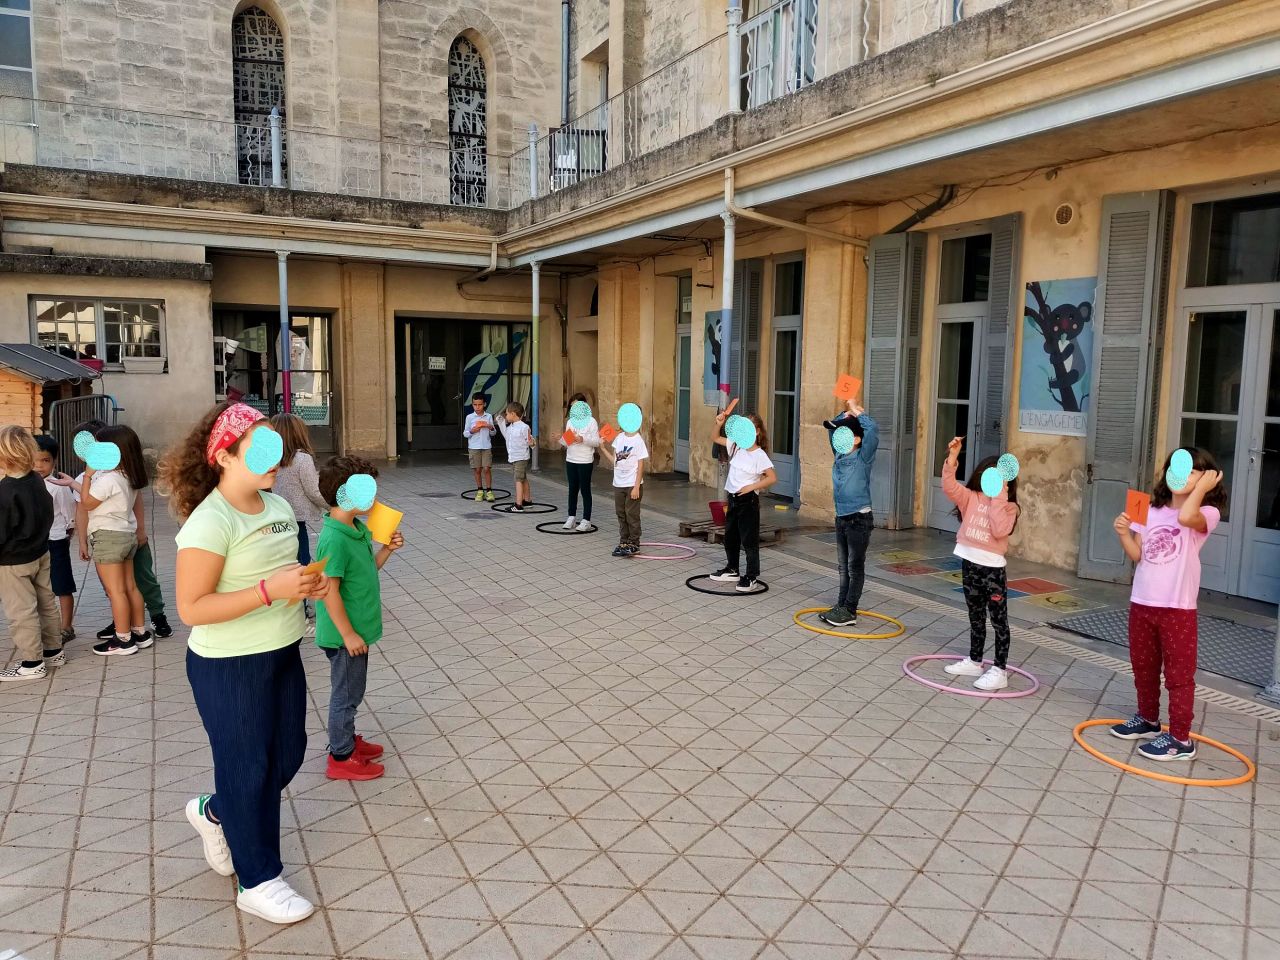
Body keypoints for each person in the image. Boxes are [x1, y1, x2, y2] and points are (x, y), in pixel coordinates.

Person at [163, 401, 327, 924]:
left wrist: (308, 583)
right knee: (249, 768)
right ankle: (257, 879)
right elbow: (192, 609)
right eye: (259, 450)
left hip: (282, 652)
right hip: (229, 665)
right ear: (225, 456)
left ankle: (217, 811)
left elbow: (283, 573)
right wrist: (268, 590)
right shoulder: (211, 521)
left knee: (288, 755)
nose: (273, 459)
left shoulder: (276, 506)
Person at [1110, 448, 1226, 761]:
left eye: (1192, 471)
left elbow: (1186, 516)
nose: (1182, 475)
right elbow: (1139, 555)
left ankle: (1180, 740)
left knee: (1178, 675)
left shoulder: (1207, 513)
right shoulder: (1149, 509)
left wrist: (1204, 487)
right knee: (1143, 666)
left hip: (1178, 608)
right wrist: (1123, 534)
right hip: (1142, 602)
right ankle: (1148, 720)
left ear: (1207, 478)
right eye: (1177, 467)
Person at [314, 456, 404, 781]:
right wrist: (348, 634)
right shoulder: (335, 538)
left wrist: (386, 550)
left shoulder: (355, 529)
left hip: (356, 632)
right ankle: (341, 755)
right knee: (346, 695)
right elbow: (329, 591)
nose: (374, 498)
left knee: (354, 690)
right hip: (345, 636)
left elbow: (366, 571)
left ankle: (348, 740)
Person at [78, 421, 172, 643]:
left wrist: (87, 476)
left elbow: (87, 503)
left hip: (108, 538)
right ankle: (139, 632)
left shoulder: (107, 479)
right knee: (130, 587)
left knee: (116, 591)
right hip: (126, 535)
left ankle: (122, 639)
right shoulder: (127, 476)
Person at [940, 438, 1020, 691]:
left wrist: (999, 495)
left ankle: (999, 670)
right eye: (989, 477)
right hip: (969, 564)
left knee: (998, 621)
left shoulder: (1010, 507)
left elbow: (999, 530)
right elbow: (949, 486)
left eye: (998, 479)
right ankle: (975, 661)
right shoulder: (970, 497)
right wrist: (953, 457)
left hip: (992, 571)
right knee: (975, 616)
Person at [0, 426, 65, 681]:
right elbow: (47, 513)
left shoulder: (5, 491)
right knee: (46, 602)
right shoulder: (37, 480)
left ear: (4, 457)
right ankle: (54, 651)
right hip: (40, 552)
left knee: (22, 611)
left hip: (13, 561)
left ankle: (32, 662)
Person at [820, 399, 879, 626]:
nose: (837, 439)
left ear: (856, 439)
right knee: (843, 567)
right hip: (842, 518)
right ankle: (841, 605)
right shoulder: (839, 455)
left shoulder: (863, 457)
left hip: (859, 518)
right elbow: (832, 430)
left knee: (855, 566)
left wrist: (857, 412)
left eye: (844, 435)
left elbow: (872, 430)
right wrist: (845, 413)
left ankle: (850, 610)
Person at [708, 412, 776, 592]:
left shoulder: (759, 454)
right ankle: (732, 569)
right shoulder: (735, 446)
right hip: (733, 499)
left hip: (748, 501)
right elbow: (715, 437)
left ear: (757, 432)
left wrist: (751, 487)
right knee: (730, 537)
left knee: (749, 540)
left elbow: (771, 477)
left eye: (749, 429)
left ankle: (752, 576)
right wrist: (719, 423)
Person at [33, 434, 78, 644]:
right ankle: (43, 626)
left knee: (62, 585)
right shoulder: (27, 484)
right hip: (34, 544)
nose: (39, 466)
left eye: (45, 460)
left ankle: (66, 627)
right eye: (34, 460)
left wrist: (68, 533)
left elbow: (70, 513)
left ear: (54, 461)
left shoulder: (58, 486)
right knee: (39, 586)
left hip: (56, 541)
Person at [268, 413, 327, 566]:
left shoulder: (270, 459)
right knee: (302, 560)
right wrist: (332, 506)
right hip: (296, 518)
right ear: (298, 434)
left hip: (275, 516)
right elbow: (313, 491)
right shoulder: (302, 459)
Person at [600, 410, 648, 557]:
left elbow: (641, 465)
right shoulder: (619, 438)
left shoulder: (638, 440)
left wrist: (636, 486)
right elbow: (615, 461)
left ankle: (634, 543)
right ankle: (624, 541)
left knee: (631, 514)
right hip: (618, 483)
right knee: (621, 513)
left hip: (632, 483)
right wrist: (602, 448)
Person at [559, 393, 599, 531]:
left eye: (576, 405)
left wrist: (583, 439)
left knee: (585, 489)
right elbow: (567, 442)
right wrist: (560, 439)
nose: (573, 408)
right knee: (572, 489)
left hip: (585, 460)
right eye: (572, 406)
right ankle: (571, 517)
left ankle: (586, 519)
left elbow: (597, 442)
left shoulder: (591, 421)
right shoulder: (570, 422)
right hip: (571, 458)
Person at [496, 401, 533, 511]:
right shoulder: (510, 427)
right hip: (514, 457)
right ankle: (527, 501)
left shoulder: (524, 427)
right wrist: (500, 421)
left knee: (518, 480)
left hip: (521, 457)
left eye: (507, 414)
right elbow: (506, 435)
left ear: (513, 414)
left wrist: (532, 442)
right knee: (523, 478)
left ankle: (518, 505)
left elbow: (530, 440)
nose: (506, 416)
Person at [463, 393, 497, 501]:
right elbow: (465, 433)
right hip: (474, 447)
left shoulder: (488, 416)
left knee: (487, 468)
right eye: (475, 404)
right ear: (472, 404)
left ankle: (489, 491)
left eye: (480, 404)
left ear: (484, 404)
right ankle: (480, 490)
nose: (477, 407)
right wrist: (472, 431)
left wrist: (490, 427)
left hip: (486, 446)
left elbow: (493, 433)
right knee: (477, 469)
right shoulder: (469, 417)